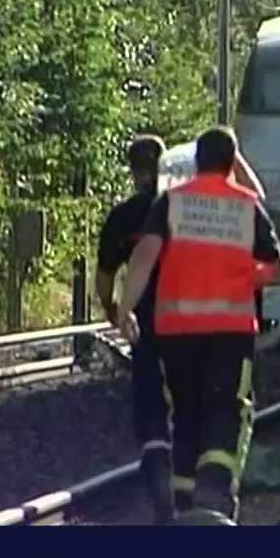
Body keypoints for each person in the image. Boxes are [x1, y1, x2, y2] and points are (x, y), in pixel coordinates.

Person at [116, 125, 280, 524]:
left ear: (196, 162)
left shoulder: (171, 202)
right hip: (230, 331)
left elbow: (145, 255)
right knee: (226, 410)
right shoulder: (247, 205)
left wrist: (125, 307)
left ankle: (182, 503)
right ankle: (214, 499)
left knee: (187, 413)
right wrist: (246, 276)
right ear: (232, 163)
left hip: (176, 330)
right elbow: (278, 269)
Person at [94, 134, 176, 523]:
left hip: (146, 321)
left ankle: (158, 467)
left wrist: (115, 313)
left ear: (132, 170)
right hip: (191, 317)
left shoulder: (124, 216)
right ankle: (191, 483)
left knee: (149, 401)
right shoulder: (185, 206)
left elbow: (105, 276)